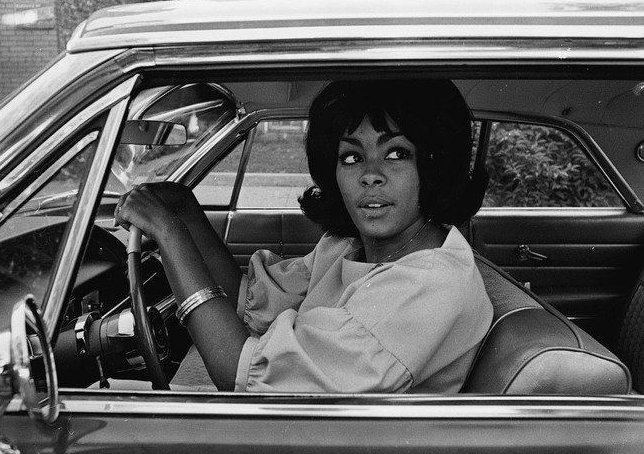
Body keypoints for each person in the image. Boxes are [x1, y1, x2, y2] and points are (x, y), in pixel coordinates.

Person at [114, 79, 494, 393]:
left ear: (433, 165)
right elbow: (250, 303)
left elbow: (240, 373)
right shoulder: (350, 247)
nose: (370, 175)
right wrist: (184, 208)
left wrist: (168, 232)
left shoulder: (427, 284)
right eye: (351, 157)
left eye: (396, 154)